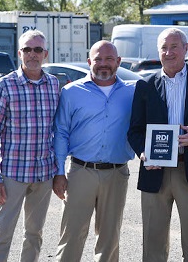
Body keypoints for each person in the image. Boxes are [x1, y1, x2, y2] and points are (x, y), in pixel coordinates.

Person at [127, 28, 188, 262]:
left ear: (185, 49)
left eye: (174, 46)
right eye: (164, 47)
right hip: (155, 172)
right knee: (153, 244)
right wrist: (143, 153)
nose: (169, 52)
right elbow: (134, 130)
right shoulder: (145, 85)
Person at [0, 29, 60, 261]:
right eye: (27, 49)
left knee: (34, 234)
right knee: (3, 234)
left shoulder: (54, 84)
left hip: (44, 174)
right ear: (19, 53)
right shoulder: (4, 86)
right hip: (12, 176)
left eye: (37, 50)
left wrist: (58, 171)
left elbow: (57, 130)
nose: (32, 54)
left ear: (45, 54)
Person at [53, 40, 135, 262]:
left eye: (109, 59)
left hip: (117, 173)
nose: (103, 64)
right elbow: (60, 133)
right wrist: (59, 172)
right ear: (89, 61)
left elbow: (144, 128)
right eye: (98, 59)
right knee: (71, 235)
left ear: (118, 62)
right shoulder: (71, 92)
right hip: (81, 172)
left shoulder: (133, 92)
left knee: (110, 237)